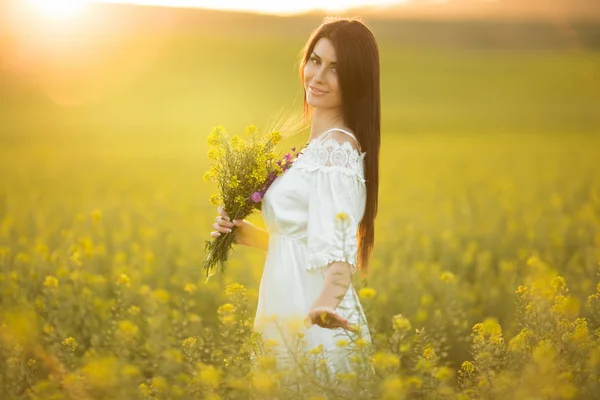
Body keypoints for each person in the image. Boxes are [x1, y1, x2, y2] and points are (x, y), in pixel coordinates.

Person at [209, 16, 380, 377]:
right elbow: (306, 244)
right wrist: (248, 236)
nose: (317, 76)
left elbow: (341, 251)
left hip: (310, 317)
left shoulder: (335, 153)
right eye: (315, 60)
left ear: (357, 80)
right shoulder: (315, 149)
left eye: (336, 68)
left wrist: (323, 307)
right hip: (286, 303)